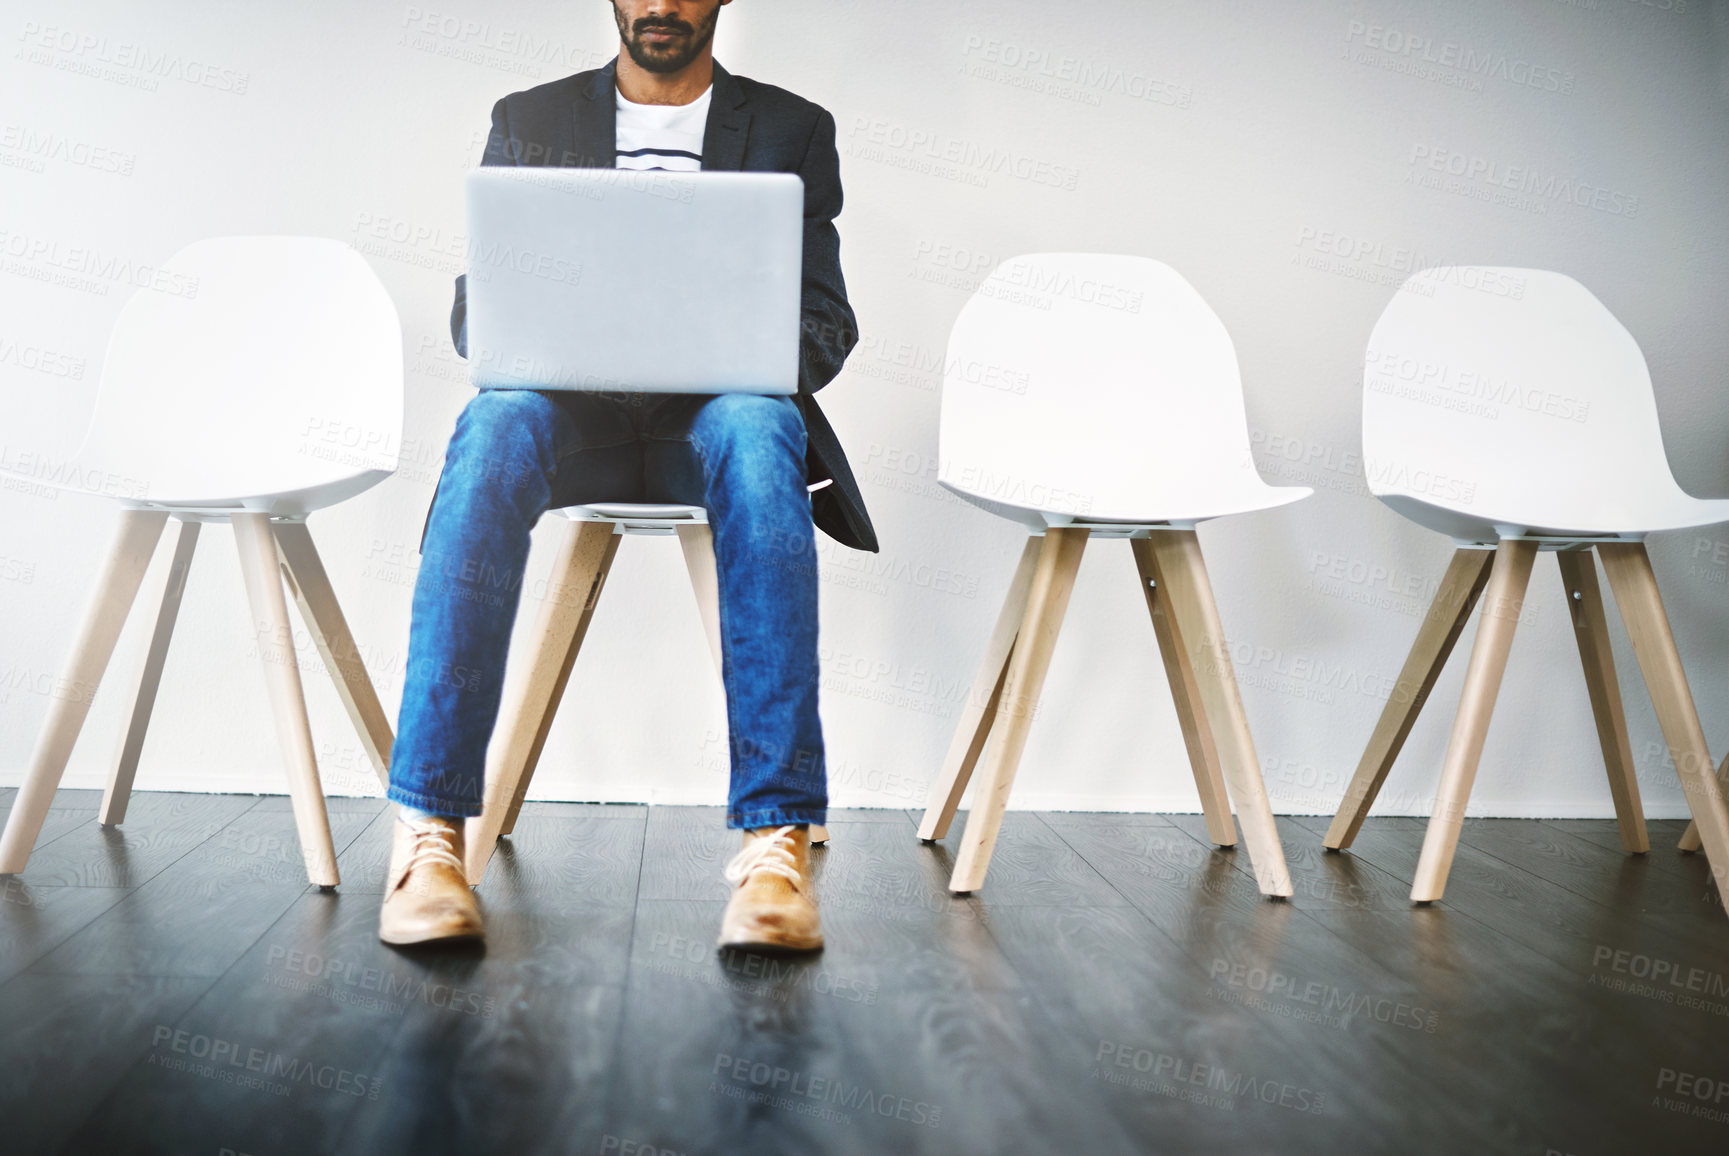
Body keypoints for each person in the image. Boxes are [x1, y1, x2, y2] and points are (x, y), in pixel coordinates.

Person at [378, 0, 874, 953]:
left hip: (715, 415)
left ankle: (775, 844)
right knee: (492, 424)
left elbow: (825, 320)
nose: (659, 4)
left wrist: (743, 356)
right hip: (576, 415)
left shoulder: (790, 129)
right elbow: (479, 305)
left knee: (759, 425)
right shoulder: (530, 118)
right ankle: (432, 840)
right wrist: (515, 331)